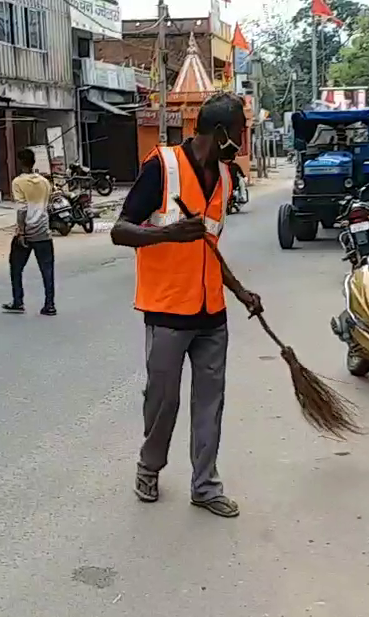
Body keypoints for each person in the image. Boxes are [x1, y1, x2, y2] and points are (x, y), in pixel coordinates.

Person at [110, 92, 261, 519]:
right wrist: (169, 235)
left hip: (212, 313)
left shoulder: (227, 177)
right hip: (167, 311)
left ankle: (205, 485)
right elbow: (120, 231)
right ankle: (149, 466)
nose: (241, 141)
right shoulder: (163, 167)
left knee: (210, 402)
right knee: (163, 400)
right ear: (218, 133)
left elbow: (209, 248)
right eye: (238, 134)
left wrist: (239, 290)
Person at [2, 148, 56, 316]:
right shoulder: (45, 182)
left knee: (16, 267)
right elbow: (47, 206)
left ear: (20, 163)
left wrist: (22, 232)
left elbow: (22, 209)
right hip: (43, 230)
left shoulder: (18, 182)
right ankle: (50, 304)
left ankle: (18, 301)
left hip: (27, 231)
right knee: (47, 270)